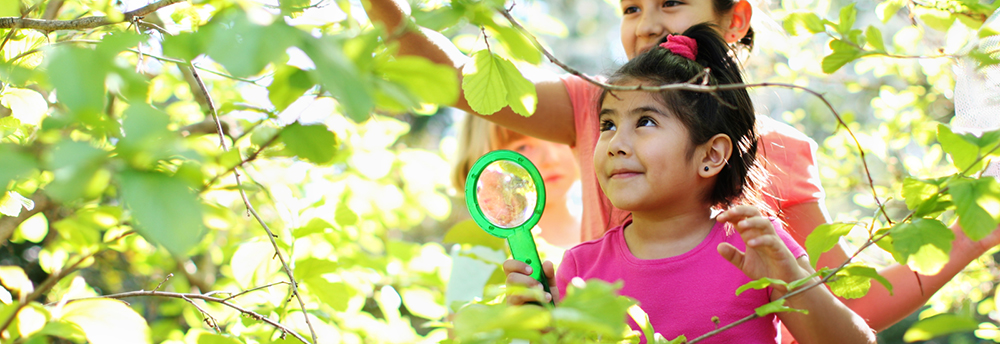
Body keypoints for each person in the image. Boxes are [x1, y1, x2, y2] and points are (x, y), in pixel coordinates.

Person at [361, 0, 1000, 336]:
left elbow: (844, 303)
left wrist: (976, 231)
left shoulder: (778, 152)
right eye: (629, 8)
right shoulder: (590, 105)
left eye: (669, 1)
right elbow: (455, 80)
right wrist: (384, 9)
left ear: (736, 18)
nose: (645, 25)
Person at [517, 26, 876, 343]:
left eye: (645, 121)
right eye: (608, 125)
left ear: (711, 156)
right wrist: (541, 327)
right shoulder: (580, 268)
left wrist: (793, 284)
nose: (616, 144)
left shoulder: (757, 248)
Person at [452, 115, 582, 248]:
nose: (551, 158)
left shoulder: (601, 233)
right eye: (523, 147)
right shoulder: (479, 255)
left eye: (557, 139)